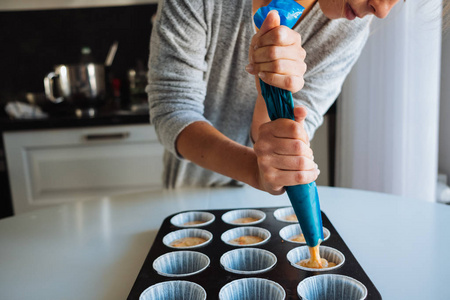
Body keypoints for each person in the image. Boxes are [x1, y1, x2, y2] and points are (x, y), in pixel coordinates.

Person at [147, 0, 400, 194]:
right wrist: (253, 171)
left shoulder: (349, 26)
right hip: (188, 196)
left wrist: (269, 96)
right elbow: (173, 109)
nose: (382, 11)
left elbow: (285, 133)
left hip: (268, 206)